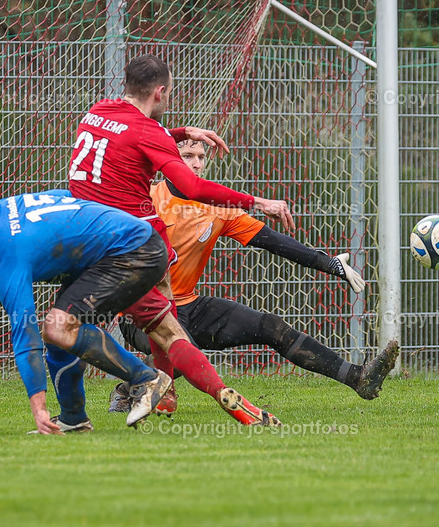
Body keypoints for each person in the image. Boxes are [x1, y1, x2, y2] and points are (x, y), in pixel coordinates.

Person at [46, 53, 293, 428]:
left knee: (71, 330)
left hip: (86, 239)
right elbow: (191, 186)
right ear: (160, 92)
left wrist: (180, 134)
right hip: (135, 245)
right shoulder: (148, 132)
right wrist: (258, 202)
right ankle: (199, 392)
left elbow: (129, 138)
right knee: (165, 328)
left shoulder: (98, 111)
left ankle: (123, 406)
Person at [108, 139, 399, 414]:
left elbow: (273, 241)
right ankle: (130, 387)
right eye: (188, 156)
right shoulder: (145, 199)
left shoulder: (217, 206)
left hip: (187, 304)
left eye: (201, 157)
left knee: (270, 326)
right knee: (184, 351)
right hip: (143, 311)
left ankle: (359, 378)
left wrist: (331, 264)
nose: (196, 164)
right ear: (169, 160)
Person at [0, 190, 174, 434]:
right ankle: (73, 419)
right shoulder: (2, 207)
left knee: (56, 328)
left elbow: (25, 333)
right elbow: (64, 196)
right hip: (129, 244)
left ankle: (146, 379)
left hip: (134, 252)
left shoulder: (4, 253)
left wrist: (38, 408)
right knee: (60, 338)